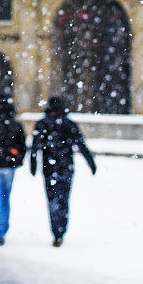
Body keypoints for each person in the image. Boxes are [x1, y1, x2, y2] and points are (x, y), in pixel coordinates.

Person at [29, 95, 96, 247]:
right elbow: (81, 144)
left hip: (49, 168)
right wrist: (91, 163)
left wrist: (33, 165)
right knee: (64, 200)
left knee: (52, 200)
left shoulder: (43, 124)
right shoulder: (68, 124)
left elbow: (35, 147)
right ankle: (61, 229)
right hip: (66, 167)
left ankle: (56, 231)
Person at [0, 96, 26, 245]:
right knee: (5, 198)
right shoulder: (15, 125)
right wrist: (15, 157)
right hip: (9, 166)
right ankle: (2, 228)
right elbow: (22, 145)